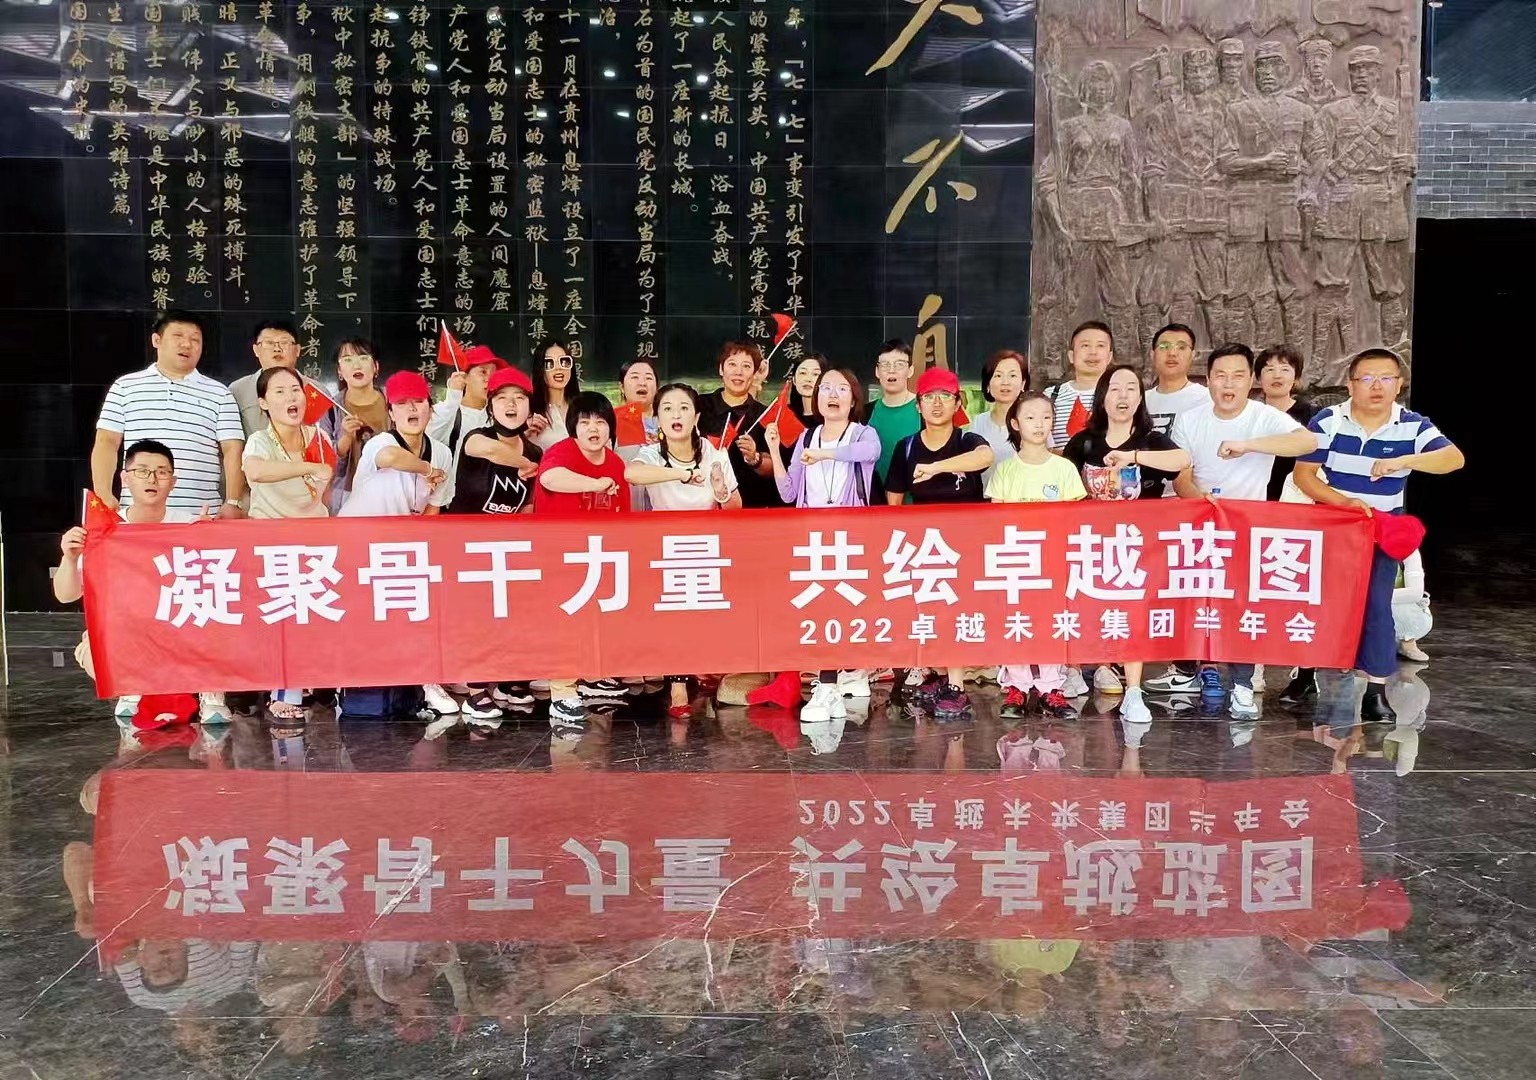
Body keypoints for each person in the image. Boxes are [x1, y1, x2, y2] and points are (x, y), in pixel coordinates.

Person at [1293, 348, 1464, 721]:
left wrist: (1405, 460)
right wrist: (1344, 502)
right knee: (1319, 601)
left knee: (1376, 604)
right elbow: (1303, 476)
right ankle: (1305, 674)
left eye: (1386, 378)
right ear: (1350, 384)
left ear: (1398, 385)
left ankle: (1375, 692)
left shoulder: (1413, 425)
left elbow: (1454, 459)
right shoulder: (1328, 421)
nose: (1376, 386)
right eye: (1367, 378)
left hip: (1383, 529)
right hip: (1335, 524)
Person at [1157, 344, 1317, 717]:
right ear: (1208, 379)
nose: (1228, 384)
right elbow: (1181, 476)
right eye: (1221, 376)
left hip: (1247, 528)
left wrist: (1249, 445)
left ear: (1250, 381)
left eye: (1238, 376)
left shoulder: (1263, 416)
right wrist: (1203, 501)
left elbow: (1308, 441)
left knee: (1242, 607)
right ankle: (1197, 671)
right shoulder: (1191, 419)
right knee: (1197, 601)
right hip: (1201, 523)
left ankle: (1242, 685)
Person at [55, 440, 222, 725]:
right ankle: (132, 689)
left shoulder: (191, 526)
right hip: (127, 633)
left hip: (178, 629)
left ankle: (211, 695)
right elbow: (66, 595)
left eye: (161, 472)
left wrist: (211, 542)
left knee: (219, 625)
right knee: (94, 652)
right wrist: (69, 559)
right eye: (142, 471)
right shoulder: (103, 530)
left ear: (173, 482)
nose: (152, 479)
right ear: (125, 478)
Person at [1063, 364, 1192, 722]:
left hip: (1138, 548)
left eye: (1131, 388)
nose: (1123, 395)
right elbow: (1064, 482)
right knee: (1084, 607)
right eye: (1115, 388)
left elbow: (1182, 460)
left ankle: (1133, 691)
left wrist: (1132, 457)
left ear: (1140, 398)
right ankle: (1082, 667)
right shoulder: (1084, 442)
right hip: (1091, 544)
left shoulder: (1151, 440)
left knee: (1132, 615)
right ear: (1102, 397)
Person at [761, 367, 881, 723]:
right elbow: (788, 492)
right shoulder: (807, 436)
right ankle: (838, 680)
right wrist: (775, 451)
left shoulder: (863, 433)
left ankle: (831, 684)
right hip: (812, 538)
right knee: (824, 610)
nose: (832, 394)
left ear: (853, 398)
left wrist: (826, 455)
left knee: (842, 608)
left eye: (841, 388)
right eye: (825, 388)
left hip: (849, 537)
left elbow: (869, 452)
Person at [625, 383, 740, 718]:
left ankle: (701, 665)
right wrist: (683, 473)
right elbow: (632, 474)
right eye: (668, 408)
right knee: (675, 611)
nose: (676, 414)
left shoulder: (715, 453)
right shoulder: (651, 454)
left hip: (708, 544)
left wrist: (720, 491)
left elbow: (735, 506)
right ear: (658, 419)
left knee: (705, 612)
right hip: (666, 547)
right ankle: (678, 683)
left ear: (696, 417)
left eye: (684, 408)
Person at [884, 368, 994, 718]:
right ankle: (936, 672)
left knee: (956, 612)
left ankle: (957, 686)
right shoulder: (907, 447)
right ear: (917, 405)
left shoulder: (966, 440)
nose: (936, 404)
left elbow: (985, 458)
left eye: (944, 397)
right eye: (928, 397)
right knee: (929, 612)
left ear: (957, 403)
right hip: (926, 546)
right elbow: (894, 498)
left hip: (966, 543)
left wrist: (935, 467)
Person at [446, 365, 542, 719]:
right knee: (474, 619)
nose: (511, 405)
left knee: (511, 615)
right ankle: (475, 689)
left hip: (506, 550)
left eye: (519, 398)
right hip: (465, 547)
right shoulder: (476, 437)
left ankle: (507, 679)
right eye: (502, 398)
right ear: (490, 406)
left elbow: (529, 504)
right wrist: (523, 463)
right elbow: (493, 452)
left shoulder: (535, 451)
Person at [536, 391, 633, 736]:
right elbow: (549, 479)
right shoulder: (561, 452)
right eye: (585, 422)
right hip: (560, 556)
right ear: (573, 428)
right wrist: (594, 484)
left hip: (598, 556)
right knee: (565, 623)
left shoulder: (615, 462)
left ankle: (590, 674)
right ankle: (561, 692)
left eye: (601, 422)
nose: (593, 428)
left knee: (597, 618)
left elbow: (622, 510)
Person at [241, 368, 334, 724]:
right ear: (264, 403)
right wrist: (306, 466)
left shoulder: (318, 437)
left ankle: (312, 679)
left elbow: (323, 490)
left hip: (314, 540)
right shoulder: (260, 441)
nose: (291, 397)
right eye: (279, 392)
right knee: (284, 616)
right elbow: (256, 472)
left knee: (314, 615)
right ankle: (284, 693)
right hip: (272, 543)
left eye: (295, 389)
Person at [986, 391, 1086, 720]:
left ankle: (1051, 687)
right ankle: (1016, 685)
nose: (1039, 424)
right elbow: (996, 518)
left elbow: (1075, 517)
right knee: (1016, 621)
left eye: (1046, 417)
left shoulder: (1064, 468)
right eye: (1030, 417)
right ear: (1016, 424)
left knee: (1051, 621)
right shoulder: (1006, 470)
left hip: (1054, 560)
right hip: (1016, 559)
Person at [93, 310, 246, 519]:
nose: (187, 344)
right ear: (157, 340)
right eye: (178, 336)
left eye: (195, 339)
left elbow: (233, 450)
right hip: (140, 515)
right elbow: (107, 442)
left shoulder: (220, 393)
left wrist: (233, 501)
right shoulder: (125, 387)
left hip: (201, 515)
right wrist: (103, 493)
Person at [696, 341, 779, 508]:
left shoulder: (765, 414)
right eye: (732, 364)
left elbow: (775, 468)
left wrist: (755, 458)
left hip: (750, 506)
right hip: (701, 503)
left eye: (746, 366)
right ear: (721, 369)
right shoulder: (699, 405)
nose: (738, 372)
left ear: (755, 374)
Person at [317, 338, 390, 515]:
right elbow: (322, 460)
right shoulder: (330, 409)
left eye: (364, 358)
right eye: (347, 359)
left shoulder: (393, 401)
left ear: (376, 367)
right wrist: (346, 439)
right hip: (347, 494)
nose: (356, 365)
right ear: (339, 371)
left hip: (391, 490)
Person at [428, 344, 506, 505]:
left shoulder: (499, 417)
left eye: (494, 374)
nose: (489, 379)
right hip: (450, 502)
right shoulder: (448, 411)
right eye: (483, 372)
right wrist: (452, 397)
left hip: (489, 502)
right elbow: (429, 435)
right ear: (465, 377)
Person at [229, 320, 311, 438]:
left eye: (284, 342)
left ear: (297, 350)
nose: (277, 349)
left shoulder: (317, 390)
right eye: (269, 343)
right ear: (256, 350)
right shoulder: (238, 391)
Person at [1256, 344, 1318, 500]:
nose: (1277, 376)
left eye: (1285, 369)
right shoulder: (1251, 415)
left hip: (1297, 499)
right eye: (1270, 369)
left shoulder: (1313, 416)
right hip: (1255, 499)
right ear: (1258, 378)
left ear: (1296, 378)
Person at [1045, 321, 1114, 449]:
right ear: (1071, 356)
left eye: (1100, 345)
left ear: (1109, 356)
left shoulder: (1120, 395)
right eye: (1085, 345)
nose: (1093, 352)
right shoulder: (1050, 396)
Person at [967, 349, 1028, 486]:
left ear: (1023, 384)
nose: (1005, 382)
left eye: (1012, 375)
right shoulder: (979, 422)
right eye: (998, 375)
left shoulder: (1034, 421)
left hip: (1024, 497)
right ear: (988, 385)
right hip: (985, 497)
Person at [867, 339, 920, 495]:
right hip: (874, 501)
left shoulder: (924, 409)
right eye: (885, 365)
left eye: (899, 365)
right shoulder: (865, 412)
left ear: (910, 370)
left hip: (917, 502)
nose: (891, 370)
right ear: (877, 371)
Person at [1143, 323, 1209, 436]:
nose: (1172, 353)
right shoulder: (1140, 401)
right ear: (1152, 355)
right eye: (1164, 346)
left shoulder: (1206, 400)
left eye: (1181, 347)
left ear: (1193, 355)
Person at [615, 358, 661, 510]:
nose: (642, 383)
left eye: (649, 378)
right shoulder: (611, 420)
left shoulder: (670, 420)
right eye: (634, 377)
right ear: (621, 387)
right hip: (628, 507)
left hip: (665, 508)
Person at [527, 339, 579, 450]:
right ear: (539, 369)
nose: (558, 368)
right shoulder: (528, 412)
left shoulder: (584, 407)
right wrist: (525, 433)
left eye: (564, 361)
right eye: (549, 363)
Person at [788, 353, 823, 428]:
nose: (808, 379)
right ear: (794, 380)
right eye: (803, 373)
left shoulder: (830, 417)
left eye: (815, 374)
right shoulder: (786, 415)